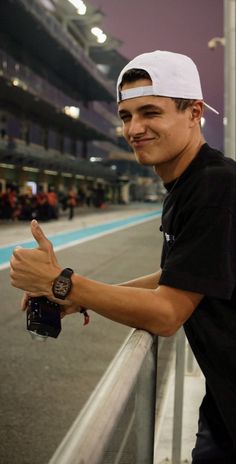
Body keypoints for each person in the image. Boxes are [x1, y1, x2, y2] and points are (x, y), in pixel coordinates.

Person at [10, 50, 236, 463]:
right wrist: (76, 294)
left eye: (150, 112)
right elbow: (177, 273)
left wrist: (60, 282)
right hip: (222, 406)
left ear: (194, 113)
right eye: (126, 115)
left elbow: (167, 314)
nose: (134, 128)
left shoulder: (214, 187)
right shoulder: (192, 182)